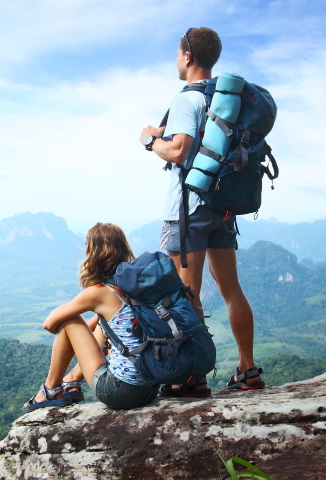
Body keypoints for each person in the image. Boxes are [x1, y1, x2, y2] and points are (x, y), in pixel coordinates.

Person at [138, 27, 264, 394]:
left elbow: (178, 150)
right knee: (232, 291)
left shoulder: (186, 100)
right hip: (223, 208)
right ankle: (248, 369)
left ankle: (191, 376)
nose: (177, 60)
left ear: (188, 56)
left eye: (178, 54)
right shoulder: (225, 100)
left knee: (185, 293)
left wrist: (149, 140)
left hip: (188, 209)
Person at [22, 223, 159, 412]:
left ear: (94, 253)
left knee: (71, 320)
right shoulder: (134, 287)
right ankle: (71, 381)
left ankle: (50, 389)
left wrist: (73, 328)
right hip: (149, 389)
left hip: (120, 392)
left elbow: (50, 324)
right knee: (100, 322)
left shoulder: (100, 292)